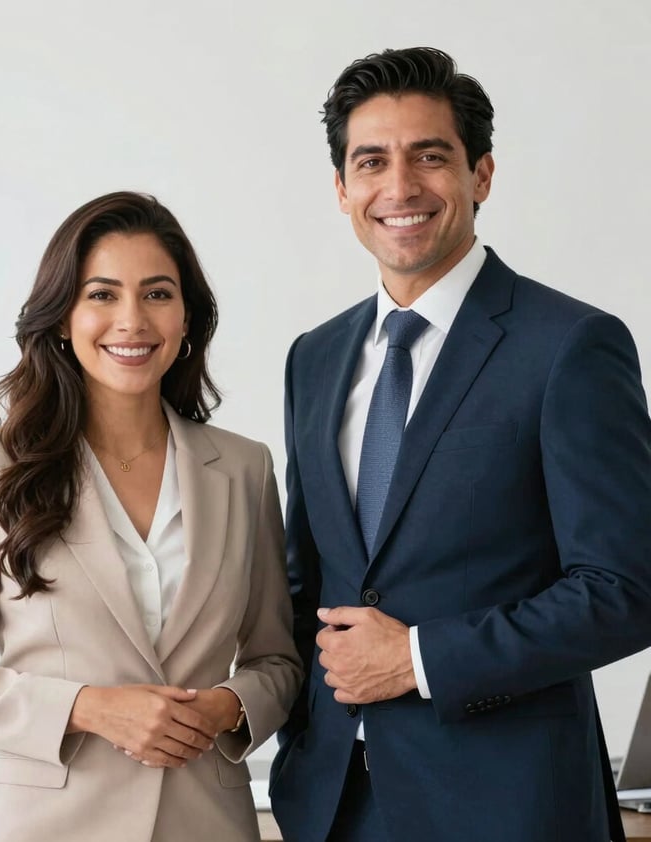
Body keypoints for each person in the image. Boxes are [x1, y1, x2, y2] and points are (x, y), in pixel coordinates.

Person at [269, 47, 651, 842]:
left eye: (429, 157)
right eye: (371, 161)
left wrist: (418, 658)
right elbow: (308, 583)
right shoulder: (315, 357)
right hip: (333, 805)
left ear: (481, 175)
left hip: (508, 808)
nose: (400, 187)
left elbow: (625, 588)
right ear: (342, 190)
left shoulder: (570, 346)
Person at [0, 191, 302, 842]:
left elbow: (277, 662)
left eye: (158, 294)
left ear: (188, 318)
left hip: (204, 821)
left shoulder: (244, 469)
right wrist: (89, 708)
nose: (132, 320)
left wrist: (228, 706)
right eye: (103, 294)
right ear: (62, 318)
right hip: (40, 825)